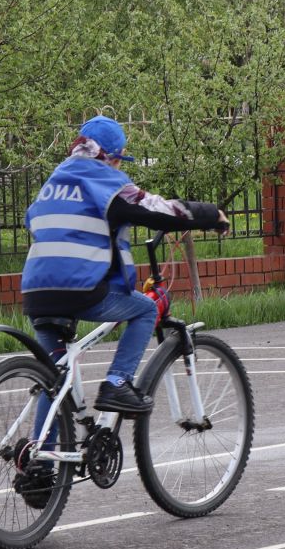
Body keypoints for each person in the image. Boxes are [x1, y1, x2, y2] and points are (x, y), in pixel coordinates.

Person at [21, 115, 229, 415]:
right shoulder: (103, 179)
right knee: (145, 308)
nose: (119, 168)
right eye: (119, 161)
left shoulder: (54, 180)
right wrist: (210, 215)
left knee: (54, 379)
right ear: (111, 157)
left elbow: (35, 221)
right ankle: (117, 383)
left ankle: (41, 459)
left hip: (36, 292)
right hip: (79, 290)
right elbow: (154, 209)